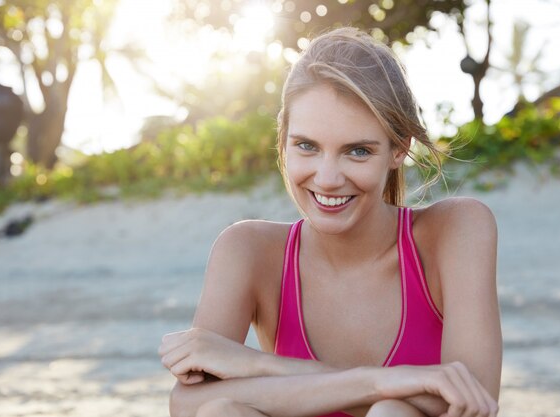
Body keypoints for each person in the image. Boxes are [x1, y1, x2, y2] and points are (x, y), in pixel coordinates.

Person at [159, 27, 502, 417]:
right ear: (283, 138)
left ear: (398, 150)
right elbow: (186, 403)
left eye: (357, 151)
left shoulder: (455, 231)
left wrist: (260, 366)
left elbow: (473, 401)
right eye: (306, 146)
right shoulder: (248, 250)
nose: (327, 178)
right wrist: (382, 382)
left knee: (393, 413)